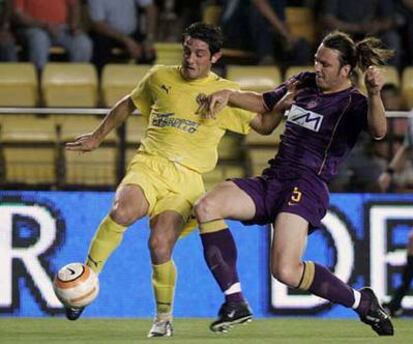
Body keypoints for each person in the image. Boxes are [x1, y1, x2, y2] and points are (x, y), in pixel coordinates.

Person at [63, 22, 283, 337]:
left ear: (215, 57)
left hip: (188, 180)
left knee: (159, 244)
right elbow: (128, 103)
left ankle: (163, 319)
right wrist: (98, 137)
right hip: (150, 165)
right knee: (121, 212)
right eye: (187, 51)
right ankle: (87, 278)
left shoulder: (225, 92)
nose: (190, 59)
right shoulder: (159, 77)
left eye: (199, 54)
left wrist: (283, 103)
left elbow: (263, 125)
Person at [194, 31, 395, 335]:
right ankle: (235, 301)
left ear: (345, 70)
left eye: (325, 64)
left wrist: (375, 93)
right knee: (207, 206)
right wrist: (227, 94)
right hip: (273, 178)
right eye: (316, 60)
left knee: (285, 271)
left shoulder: (353, 103)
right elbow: (264, 103)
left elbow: (379, 130)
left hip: (307, 185)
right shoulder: (304, 82)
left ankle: (362, 303)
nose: (318, 68)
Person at [220, 0, 312, 66]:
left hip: (266, 35)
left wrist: (287, 39)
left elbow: (281, 22)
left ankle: (296, 84)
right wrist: (286, 35)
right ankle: (266, 59)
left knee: (301, 46)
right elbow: (259, 4)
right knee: (257, 12)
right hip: (236, 34)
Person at [13, 0, 92, 71]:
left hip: (61, 28)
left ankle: (76, 80)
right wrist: (44, 25)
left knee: (82, 43)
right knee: (40, 39)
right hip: (32, 27)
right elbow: (18, 14)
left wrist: (74, 25)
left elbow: (74, 5)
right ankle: (39, 78)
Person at [321, 0, 402, 68]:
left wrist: (377, 26)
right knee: (328, 36)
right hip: (344, 31)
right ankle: (331, 71)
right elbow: (328, 19)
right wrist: (356, 28)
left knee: (392, 38)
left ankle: (389, 77)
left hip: (372, 33)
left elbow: (389, 19)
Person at [87, 0, 157, 72]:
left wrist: (149, 38)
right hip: (106, 36)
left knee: (148, 53)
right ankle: (102, 80)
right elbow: (98, 25)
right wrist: (127, 41)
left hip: (133, 34)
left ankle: (142, 80)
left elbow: (150, 8)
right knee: (99, 51)